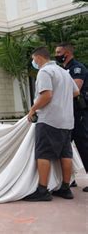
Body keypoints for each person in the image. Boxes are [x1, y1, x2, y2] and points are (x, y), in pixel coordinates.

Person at [24, 47, 79, 201]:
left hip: (49, 119)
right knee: (65, 154)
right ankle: (65, 188)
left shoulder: (44, 72)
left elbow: (46, 95)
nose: (33, 62)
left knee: (43, 154)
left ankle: (42, 190)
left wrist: (32, 109)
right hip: (67, 120)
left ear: (39, 58)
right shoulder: (63, 72)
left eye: (34, 59)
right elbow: (76, 92)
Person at [55, 42, 88, 192]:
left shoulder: (77, 68)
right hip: (67, 115)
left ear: (66, 53)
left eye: (58, 52)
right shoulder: (64, 69)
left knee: (84, 145)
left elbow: (76, 89)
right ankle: (70, 179)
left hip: (79, 114)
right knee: (65, 147)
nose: (56, 55)